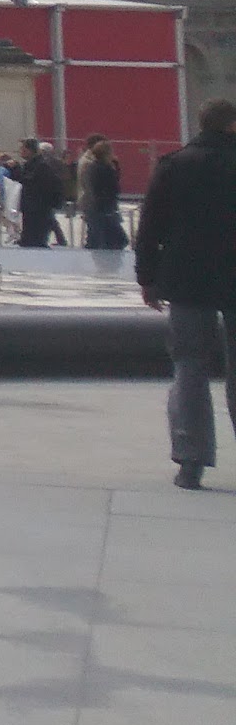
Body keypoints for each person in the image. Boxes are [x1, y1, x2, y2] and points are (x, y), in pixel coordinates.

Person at [131, 99, 236, 489]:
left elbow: (150, 225)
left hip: (188, 279)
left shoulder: (175, 165)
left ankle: (191, 459)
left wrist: (147, 277)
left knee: (189, 366)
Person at [79, 136, 130, 252]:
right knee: (115, 240)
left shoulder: (92, 167)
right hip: (104, 210)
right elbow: (114, 188)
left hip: (95, 208)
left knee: (96, 240)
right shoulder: (104, 169)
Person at [14, 140, 68, 248]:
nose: (21, 152)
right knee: (28, 241)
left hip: (39, 211)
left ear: (30, 150)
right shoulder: (30, 165)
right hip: (30, 210)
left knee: (36, 242)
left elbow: (33, 184)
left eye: (23, 149)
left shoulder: (41, 166)